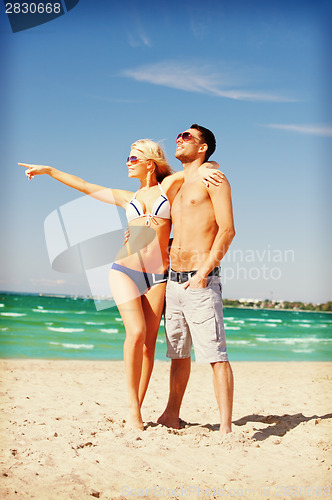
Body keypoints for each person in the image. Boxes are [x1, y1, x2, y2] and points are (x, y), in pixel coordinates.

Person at [19, 138, 223, 431]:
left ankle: (137, 408)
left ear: (149, 163)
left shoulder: (170, 187)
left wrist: (211, 167)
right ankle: (132, 409)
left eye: (133, 158)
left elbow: (203, 167)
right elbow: (85, 186)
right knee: (136, 332)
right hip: (125, 270)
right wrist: (50, 170)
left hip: (159, 275)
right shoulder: (127, 197)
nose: (128, 162)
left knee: (148, 346)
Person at [157, 125, 235, 435]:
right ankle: (171, 415)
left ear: (203, 148)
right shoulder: (177, 185)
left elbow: (227, 230)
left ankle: (226, 429)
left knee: (216, 356)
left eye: (187, 136)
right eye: (179, 135)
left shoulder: (215, 179)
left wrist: (203, 273)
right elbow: (180, 230)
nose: (179, 138)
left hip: (200, 281)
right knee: (178, 354)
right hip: (173, 282)